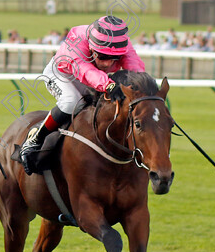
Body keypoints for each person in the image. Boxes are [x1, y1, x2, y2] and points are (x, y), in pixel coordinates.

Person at [18, 15, 146, 175]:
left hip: (97, 77)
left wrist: (143, 85)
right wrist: (109, 84)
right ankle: (36, 138)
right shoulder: (78, 39)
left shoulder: (122, 42)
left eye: (114, 58)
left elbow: (135, 67)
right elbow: (85, 70)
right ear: (92, 48)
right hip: (63, 74)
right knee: (72, 102)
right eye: (103, 56)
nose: (107, 63)